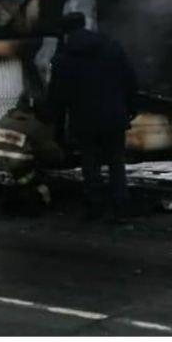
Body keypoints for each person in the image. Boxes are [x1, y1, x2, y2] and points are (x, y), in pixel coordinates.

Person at [45, 11, 141, 219]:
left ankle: (95, 206)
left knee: (90, 163)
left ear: (66, 33)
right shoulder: (112, 47)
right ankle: (121, 206)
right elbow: (130, 81)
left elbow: (58, 97)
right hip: (114, 116)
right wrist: (131, 108)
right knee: (116, 162)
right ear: (85, 24)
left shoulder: (63, 59)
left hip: (84, 120)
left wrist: (56, 126)